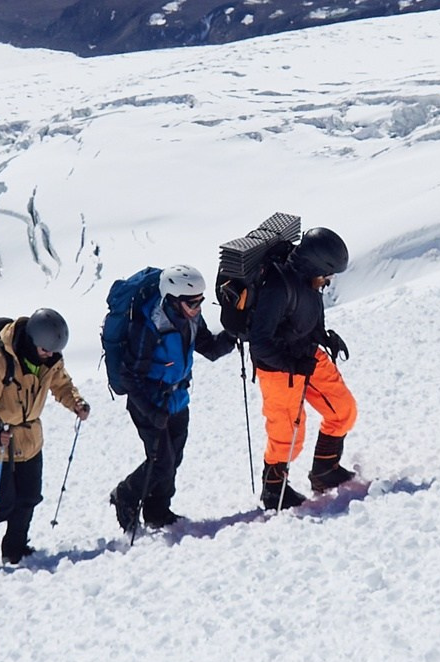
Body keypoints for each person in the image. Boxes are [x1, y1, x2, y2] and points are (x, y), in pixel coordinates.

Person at [108, 264, 236, 534]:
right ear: (173, 299)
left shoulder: (189, 318)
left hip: (177, 398)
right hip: (149, 401)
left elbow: (209, 348)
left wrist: (234, 334)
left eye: (200, 300)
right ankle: (126, 495)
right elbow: (129, 376)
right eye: (193, 302)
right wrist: (151, 411)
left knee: (173, 457)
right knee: (161, 460)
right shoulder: (149, 325)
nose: (199, 306)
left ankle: (157, 510)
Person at [0, 310, 90, 572]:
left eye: (54, 351)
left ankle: (15, 549)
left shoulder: (50, 359)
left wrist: (76, 403)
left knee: (29, 496)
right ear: (32, 340)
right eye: (45, 350)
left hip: (29, 438)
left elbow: (62, 385)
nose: (50, 355)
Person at [239, 227, 358, 506]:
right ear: (317, 264)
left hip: (307, 355)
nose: (329, 281)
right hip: (279, 367)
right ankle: (274, 492)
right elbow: (260, 343)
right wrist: (293, 364)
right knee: (287, 433)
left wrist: (324, 337)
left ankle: (325, 472)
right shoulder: (278, 288)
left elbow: (308, 318)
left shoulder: (309, 280)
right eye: (328, 274)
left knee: (343, 410)